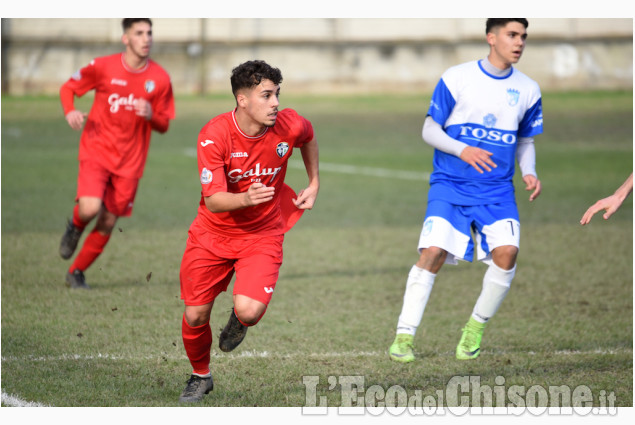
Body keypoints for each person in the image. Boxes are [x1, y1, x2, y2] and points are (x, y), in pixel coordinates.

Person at [388, 19, 543, 363]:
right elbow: (429, 129)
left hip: (497, 190)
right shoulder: (457, 77)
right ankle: (404, 336)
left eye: (523, 37)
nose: (519, 42)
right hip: (450, 185)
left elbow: (525, 140)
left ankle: (474, 328)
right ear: (491, 37)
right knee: (432, 253)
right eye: (512, 35)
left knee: (508, 252)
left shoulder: (529, 89)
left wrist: (529, 172)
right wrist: (463, 150)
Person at [177, 60, 319, 403]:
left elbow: (308, 136)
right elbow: (213, 201)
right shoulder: (215, 135)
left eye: (277, 94)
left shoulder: (288, 124)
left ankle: (238, 320)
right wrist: (245, 198)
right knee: (196, 314)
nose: (275, 103)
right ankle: (201, 375)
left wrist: (315, 182)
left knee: (250, 310)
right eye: (266, 95)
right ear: (242, 100)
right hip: (212, 234)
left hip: (263, 234)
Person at [58, 18, 175, 289]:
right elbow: (68, 88)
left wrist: (151, 115)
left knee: (109, 220)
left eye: (149, 33)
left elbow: (164, 125)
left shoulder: (160, 78)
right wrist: (70, 111)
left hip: (131, 163)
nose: (146, 38)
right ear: (126, 38)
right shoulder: (103, 66)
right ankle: (75, 227)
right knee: (89, 207)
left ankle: (76, 272)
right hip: (97, 150)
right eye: (139, 33)